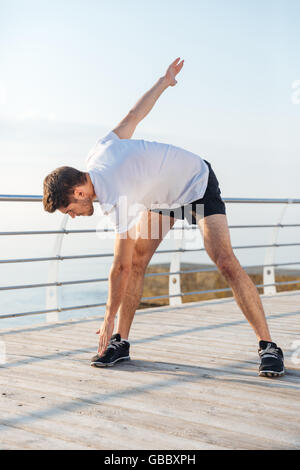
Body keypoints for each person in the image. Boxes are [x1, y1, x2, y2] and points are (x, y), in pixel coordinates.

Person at [43, 58, 284, 377]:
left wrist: (105, 318)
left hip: (195, 182)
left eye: (69, 211)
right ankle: (121, 344)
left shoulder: (115, 193)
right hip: (162, 197)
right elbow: (133, 117)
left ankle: (269, 346)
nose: (73, 217)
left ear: (79, 193)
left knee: (224, 259)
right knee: (141, 260)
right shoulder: (98, 154)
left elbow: (119, 267)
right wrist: (164, 81)